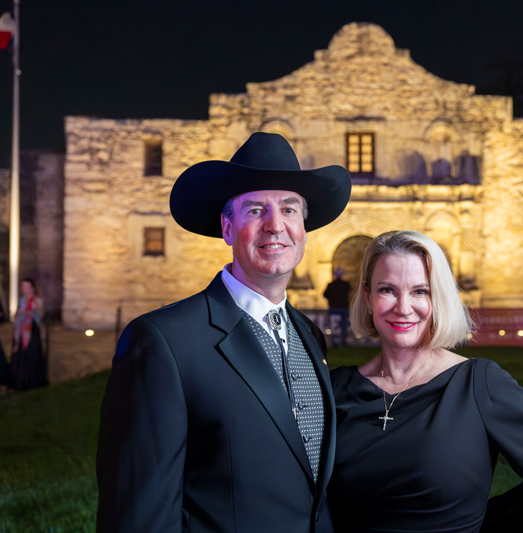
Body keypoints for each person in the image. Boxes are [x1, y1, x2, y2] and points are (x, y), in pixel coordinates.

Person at [96, 133, 351, 532]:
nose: (275, 225)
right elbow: (139, 515)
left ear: (304, 227)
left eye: (289, 209)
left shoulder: (310, 337)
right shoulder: (163, 342)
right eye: (255, 210)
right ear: (228, 227)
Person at [328, 230, 523, 533]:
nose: (403, 307)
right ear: (367, 295)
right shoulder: (335, 389)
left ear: (439, 297)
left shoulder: (480, 384)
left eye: (421, 291)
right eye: (387, 290)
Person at [9, 278, 46, 391]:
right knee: (21, 356)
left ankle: (33, 381)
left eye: (27, 287)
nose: (25, 289)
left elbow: (39, 317)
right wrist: (20, 312)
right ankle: (21, 381)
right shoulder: (21, 300)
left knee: (32, 355)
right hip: (21, 332)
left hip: (32, 331)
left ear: (32, 288)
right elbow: (16, 319)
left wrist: (32, 309)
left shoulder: (37, 300)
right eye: (23, 287)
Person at [324, 267, 352, 347]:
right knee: (344, 327)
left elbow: (325, 295)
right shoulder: (346, 285)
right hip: (344, 308)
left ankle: (334, 342)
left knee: (333, 327)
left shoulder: (331, 285)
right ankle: (343, 342)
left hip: (333, 308)